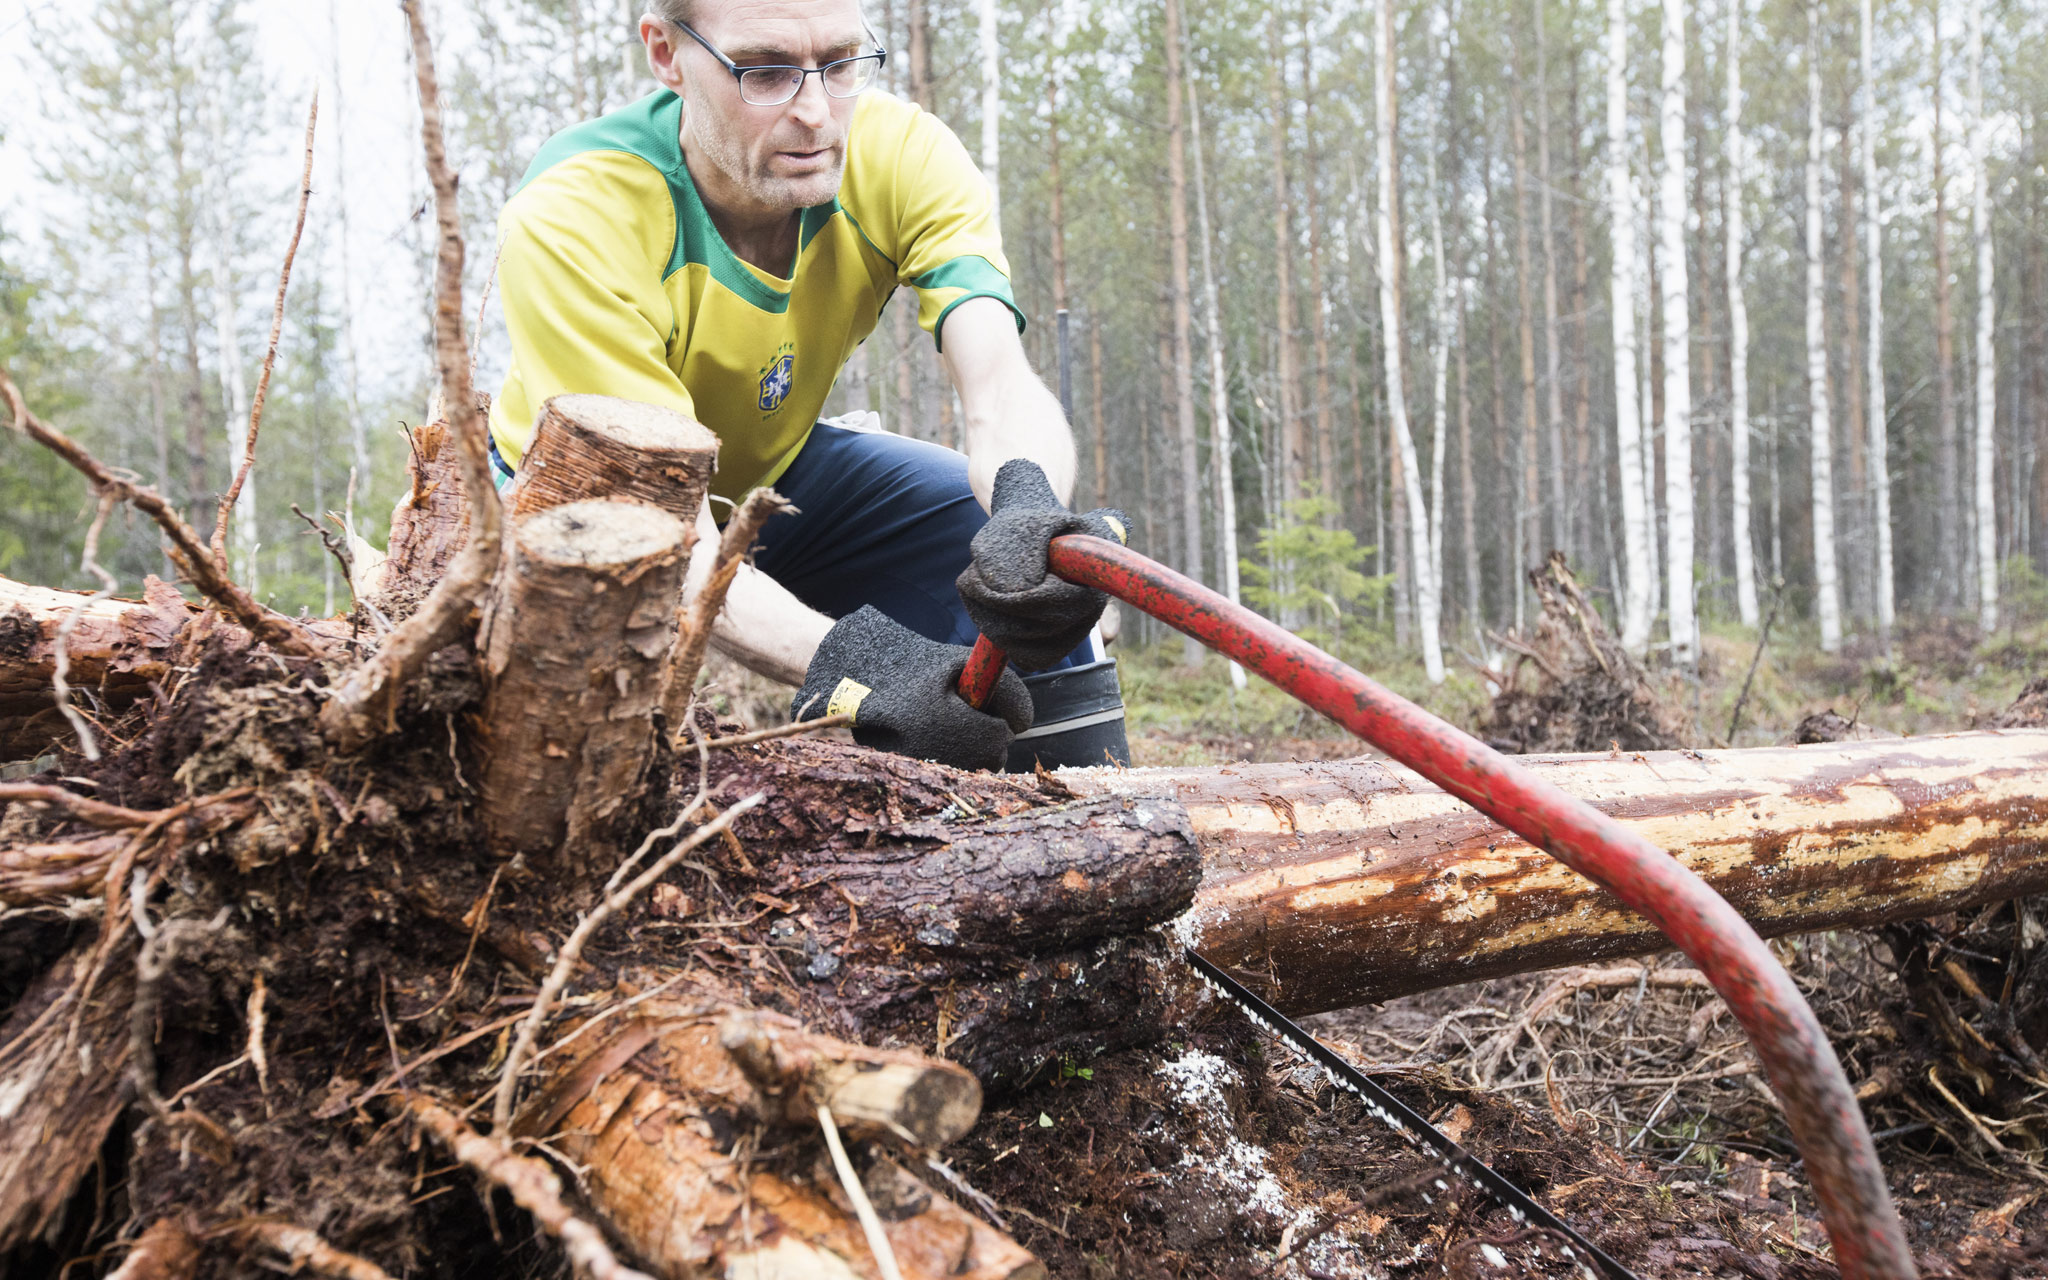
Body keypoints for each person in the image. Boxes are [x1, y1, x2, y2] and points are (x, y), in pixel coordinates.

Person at [488, 0, 1132, 772]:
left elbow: (998, 379)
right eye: (764, 71)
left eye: (840, 62)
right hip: (594, 517)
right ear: (665, 53)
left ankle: (1094, 827)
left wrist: (1029, 503)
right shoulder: (575, 213)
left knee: (1027, 562)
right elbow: (668, 538)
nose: (815, 112)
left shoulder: (898, 152)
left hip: (777, 474)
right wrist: (858, 660)